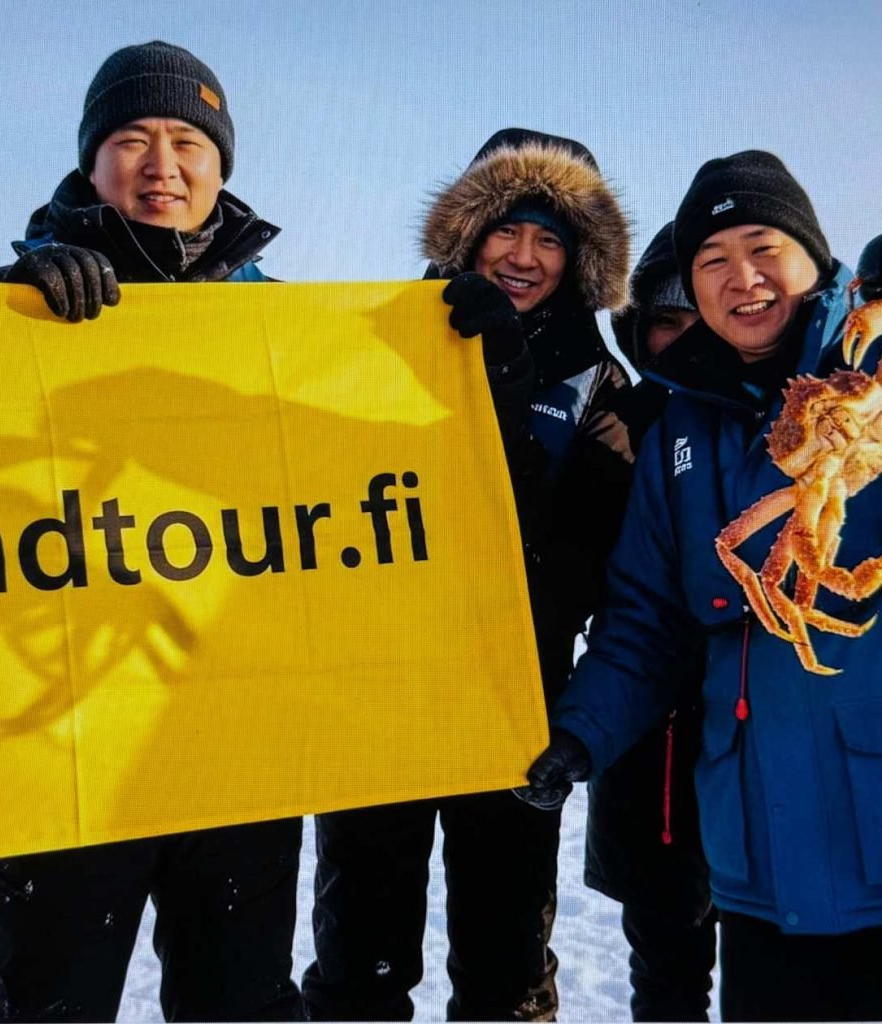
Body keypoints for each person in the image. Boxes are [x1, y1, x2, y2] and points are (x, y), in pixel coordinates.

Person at [0, 41, 303, 1023]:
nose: (162, 164)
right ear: (92, 162)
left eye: (187, 139)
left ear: (220, 163)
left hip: (241, 735)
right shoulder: (9, 305)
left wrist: (468, 342)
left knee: (238, 998)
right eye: (131, 138)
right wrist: (8, 303)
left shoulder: (286, 326)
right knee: (47, 999)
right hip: (61, 736)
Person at [519, 151, 882, 1022]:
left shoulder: (868, 373)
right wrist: (580, 734)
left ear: (815, 256)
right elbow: (646, 615)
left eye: (763, 249)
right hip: (756, 860)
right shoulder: (682, 426)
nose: (741, 279)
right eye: (712, 262)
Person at [303, 128, 633, 1021]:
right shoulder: (376, 339)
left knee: (505, 968)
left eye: (552, 239)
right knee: (359, 963)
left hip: (511, 703)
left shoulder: (600, 382)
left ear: (581, 260)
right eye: (506, 232)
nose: (523, 258)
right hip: (380, 696)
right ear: (468, 234)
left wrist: (513, 400)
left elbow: (591, 556)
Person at [584, 222, 716, 1022]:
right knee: (667, 969)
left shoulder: (791, 420)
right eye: (667, 320)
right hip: (649, 748)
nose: (687, 337)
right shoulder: (613, 422)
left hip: (764, 728)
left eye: (698, 315)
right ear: (641, 330)